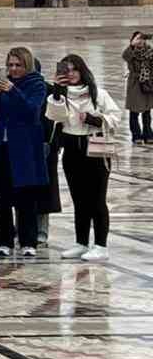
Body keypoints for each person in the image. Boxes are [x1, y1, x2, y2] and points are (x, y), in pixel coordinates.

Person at [46, 55, 120, 260]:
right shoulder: (59, 94)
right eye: (66, 70)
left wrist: (93, 119)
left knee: (97, 198)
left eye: (74, 69)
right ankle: (81, 242)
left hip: (95, 147)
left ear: (82, 71)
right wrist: (58, 93)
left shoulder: (98, 94)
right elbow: (54, 116)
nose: (70, 74)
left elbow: (115, 117)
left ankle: (101, 245)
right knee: (79, 199)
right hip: (71, 148)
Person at [0, 47, 49, 259]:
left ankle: (28, 241)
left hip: (24, 148)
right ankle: (3, 241)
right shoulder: (4, 84)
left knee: (26, 197)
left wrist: (13, 90)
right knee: (2, 197)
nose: (13, 69)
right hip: (2, 146)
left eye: (18, 65)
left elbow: (31, 110)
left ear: (26, 65)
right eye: (10, 65)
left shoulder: (36, 84)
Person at [122, 32, 153, 145]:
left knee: (147, 112)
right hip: (135, 84)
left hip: (147, 84)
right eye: (137, 38)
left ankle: (148, 135)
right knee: (134, 112)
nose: (140, 41)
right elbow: (125, 56)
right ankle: (136, 136)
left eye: (142, 38)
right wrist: (132, 45)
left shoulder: (150, 51)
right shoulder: (131, 52)